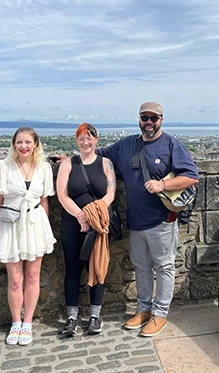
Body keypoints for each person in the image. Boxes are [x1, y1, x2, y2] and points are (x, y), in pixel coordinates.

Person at [97, 101, 199, 337]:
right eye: (145, 118)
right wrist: (69, 160)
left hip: (162, 219)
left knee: (164, 267)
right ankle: (143, 310)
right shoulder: (126, 145)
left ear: (161, 119)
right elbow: (99, 155)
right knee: (141, 267)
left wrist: (163, 184)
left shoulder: (171, 145)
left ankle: (160, 314)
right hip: (136, 221)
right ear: (139, 119)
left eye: (154, 118)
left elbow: (191, 176)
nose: (149, 123)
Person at [0, 126, 56, 346]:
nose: (23, 146)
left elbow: (44, 201)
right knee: (15, 279)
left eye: (27, 142)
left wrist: (44, 230)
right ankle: (16, 322)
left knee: (33, 276)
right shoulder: (3, 167)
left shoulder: (44, 168)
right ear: (13, 144)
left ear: (36, 144)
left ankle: (28, 323)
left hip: (36, 224)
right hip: (11, 226)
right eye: (19, 142)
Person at [56, 123, 116, 336]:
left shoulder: (105, 163)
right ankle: (71, 317)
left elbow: (110, 194)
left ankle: (94, 315)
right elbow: (62, 195)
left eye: (89, 138)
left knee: (97, 267)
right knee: (72, 270)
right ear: (77, 140)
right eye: (81, 138)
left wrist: (92, 215)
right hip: (73, 224)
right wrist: (81, 216)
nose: (85, 142)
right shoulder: (68, 164)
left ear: (96, 139)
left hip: (97, 225)